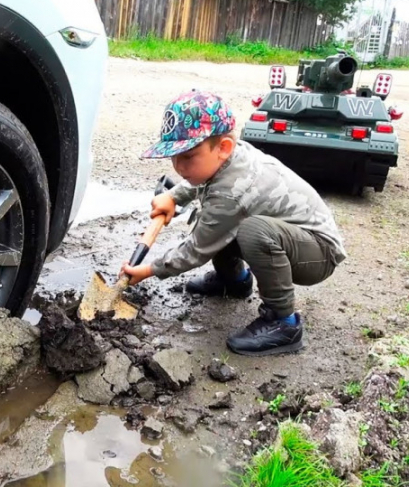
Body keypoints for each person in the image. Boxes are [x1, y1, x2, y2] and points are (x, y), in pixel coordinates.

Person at [120, 90, 347, 356]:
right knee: (223, 221)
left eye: (188, 156)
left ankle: (283, 322)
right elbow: (200, 180)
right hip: (292, 237)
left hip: (318, 254)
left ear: (223, 147)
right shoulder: (230, 156)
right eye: (174, 156)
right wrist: (173, 196)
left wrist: (148, 270)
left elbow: (196, 249)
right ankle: (234, 281)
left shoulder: (234, 190)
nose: (179, 167)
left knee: (244, 228)